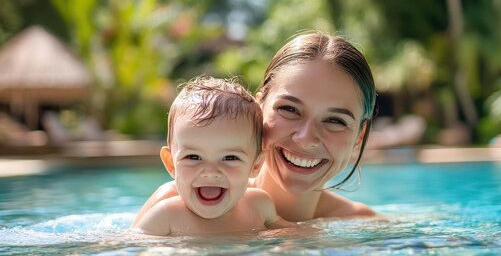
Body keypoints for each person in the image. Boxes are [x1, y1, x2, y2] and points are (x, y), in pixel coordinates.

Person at [133, 31, 378, 223]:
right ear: (259, 106)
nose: (306, 138)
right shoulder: (175, 208)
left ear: (359, 135)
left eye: (335, 120)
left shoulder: (363, 225)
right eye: (289, 109)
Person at [131, 76, 292, 236]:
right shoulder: (166, 216)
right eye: (193, 157)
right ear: (171, 163)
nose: (210, 171)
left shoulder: (258, 205)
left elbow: (293, 235)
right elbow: (132, 250)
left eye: (230, 158)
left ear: (255, 165)